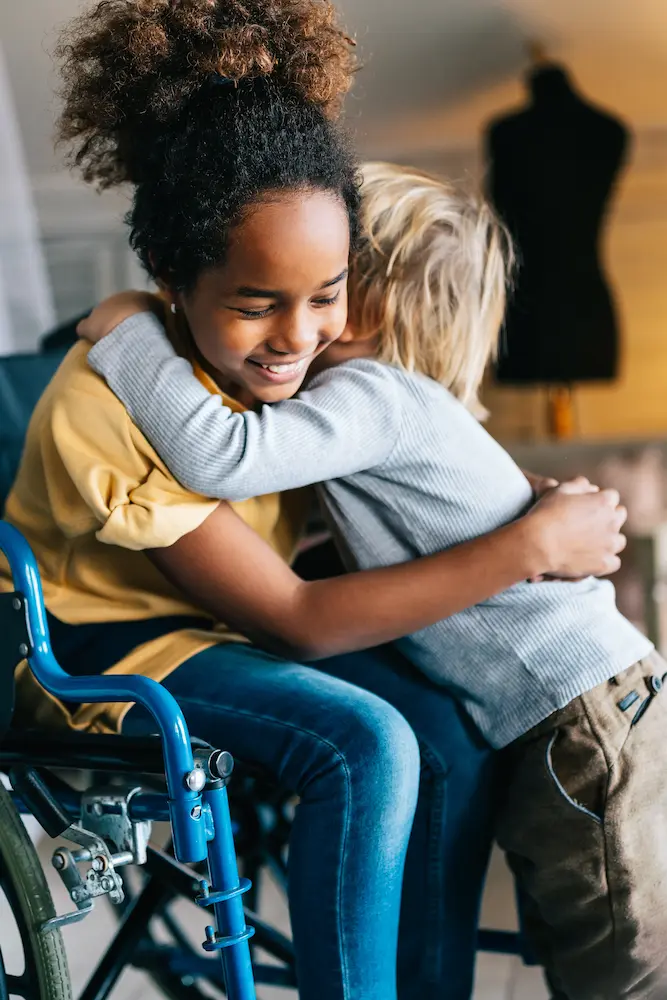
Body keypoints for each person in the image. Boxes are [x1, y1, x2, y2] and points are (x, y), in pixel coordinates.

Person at [0, 4, 628, 998]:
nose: (300, 336)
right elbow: (296, 619)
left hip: (224, 624)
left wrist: (521, 505)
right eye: (257, 304)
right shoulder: (112, 405)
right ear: (171, 279)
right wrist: (528, 547)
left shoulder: (279, 383)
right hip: (104, 642)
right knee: (362, 738)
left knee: (445, 725)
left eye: (326, 293)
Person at [80, 162, 663, 1000]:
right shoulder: (397, 404)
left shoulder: (371, 397)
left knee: (618, 964)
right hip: (582, 708)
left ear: (371, 307)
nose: (300, 311)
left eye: (326, 286)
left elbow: (220, 455)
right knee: (589, 943)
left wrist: (132, 328)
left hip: (580, 714)